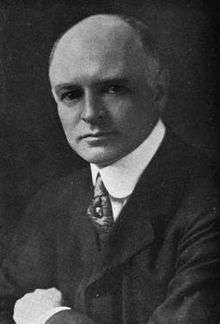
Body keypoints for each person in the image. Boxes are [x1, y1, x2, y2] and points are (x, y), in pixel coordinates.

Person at [0, 14, 219, 324]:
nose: (90, 114)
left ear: (158, 88)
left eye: (112, 89)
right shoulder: (51, 204)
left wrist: (50, 317)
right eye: (71, 95)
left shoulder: (208, 199)